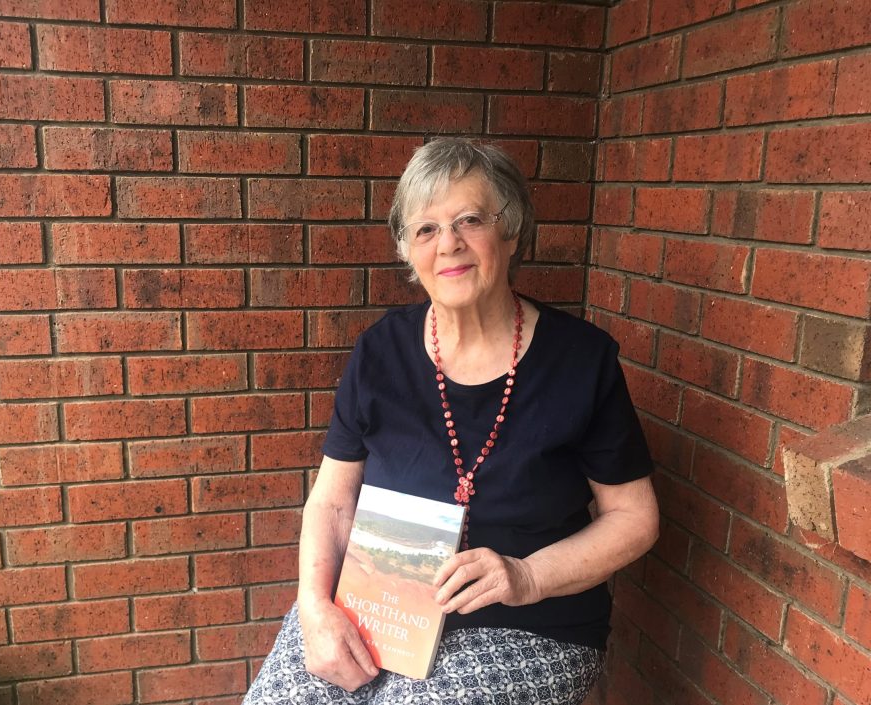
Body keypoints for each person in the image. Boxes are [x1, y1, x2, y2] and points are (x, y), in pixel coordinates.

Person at [243, 138, 659, 705]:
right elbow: (334, 501)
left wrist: (526, 576)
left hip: (530, 625)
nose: (450, 244)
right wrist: (315, 608)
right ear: (409, 253)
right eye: (426, 229)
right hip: (380, 607)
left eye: (470, 219)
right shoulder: (381, 352)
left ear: (510, 230)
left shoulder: (580, 362)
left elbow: (634, 517)